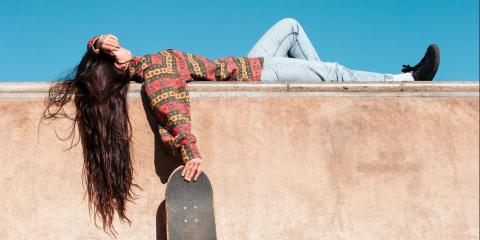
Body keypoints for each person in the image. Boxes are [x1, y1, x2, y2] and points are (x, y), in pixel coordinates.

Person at [41, 17, 440, 236]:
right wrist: (190, 153)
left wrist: (96, 43)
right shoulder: (155, 73)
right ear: (116, 66)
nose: (116, 41)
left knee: (291, 27)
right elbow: (173, 113)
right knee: (333, 71)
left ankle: (324, 94)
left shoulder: (138, 62)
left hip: (241, 65)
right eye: (111, 49)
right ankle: (403, 81)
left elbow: (100, 47)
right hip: (254, 75)